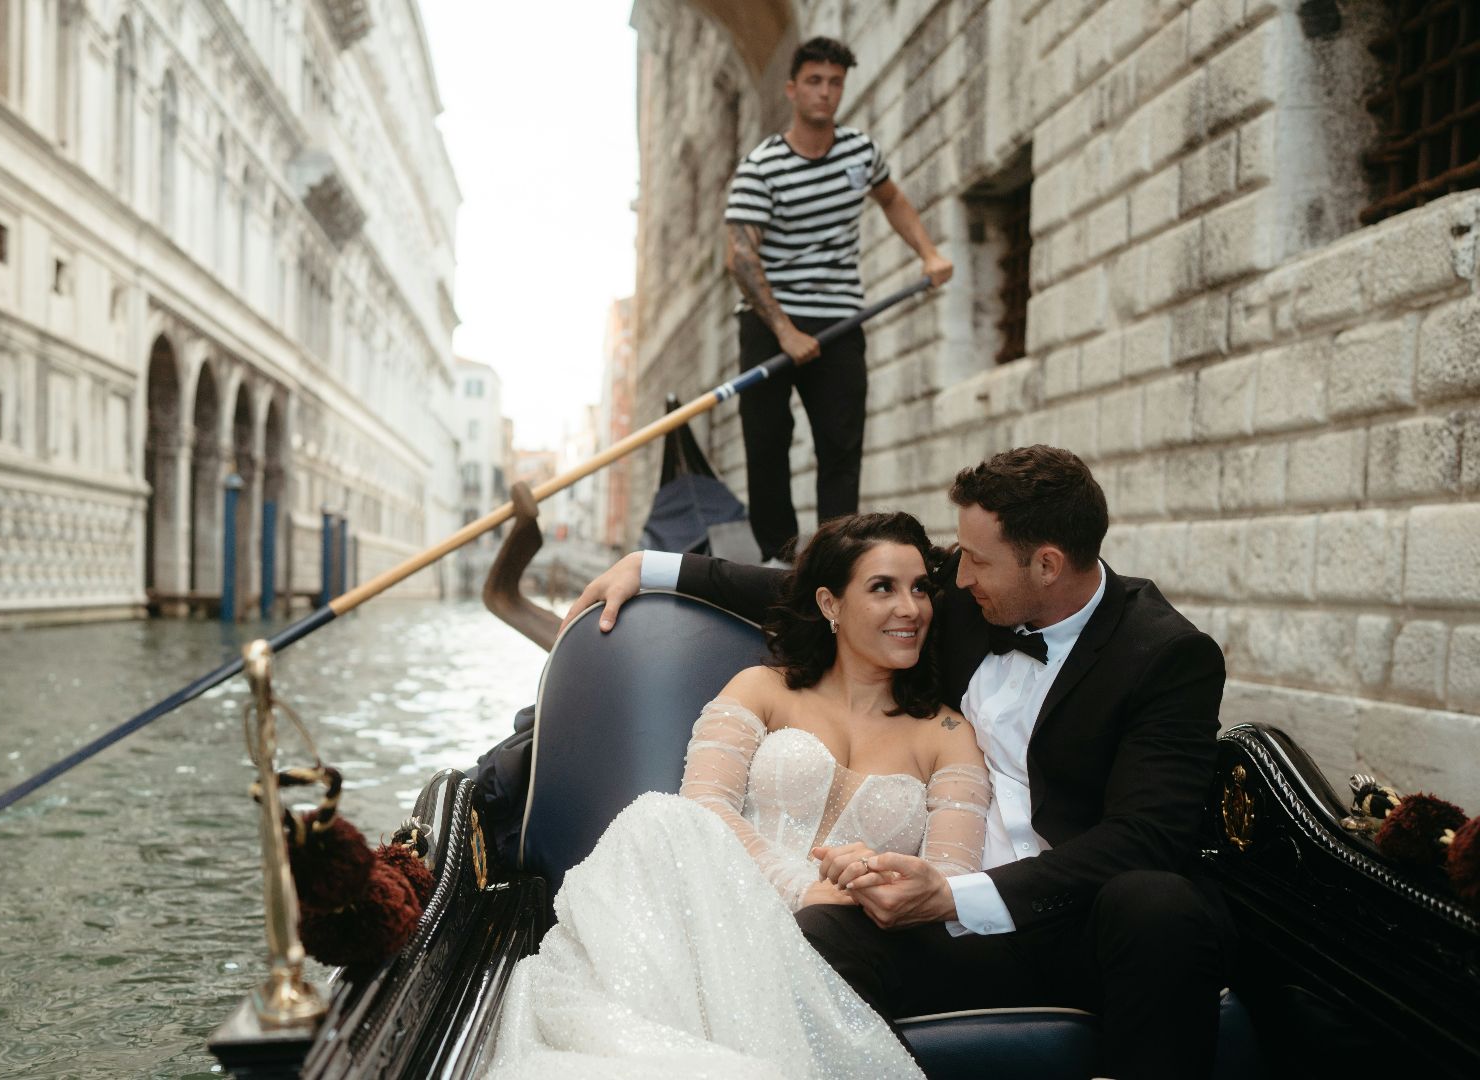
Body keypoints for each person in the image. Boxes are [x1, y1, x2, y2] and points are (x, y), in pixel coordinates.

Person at [567, 445, 1233, 1079]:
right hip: (957, 924)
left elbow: (1148, 836)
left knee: (1160, 904)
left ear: (1048, 565)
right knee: (827, 927)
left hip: (1077, 920)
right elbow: (834, 591)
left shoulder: (1168, 657)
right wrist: (654, 568)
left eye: (973, 560)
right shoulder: (978, 602)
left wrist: (955, 891)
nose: (956, 578)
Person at [487, 513, 989, 1079]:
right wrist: (803, 889)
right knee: (660, 820)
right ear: (829, 605)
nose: (911, 608)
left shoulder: (947, 734)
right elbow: (706, 807)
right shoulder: (763, 689)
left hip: (848, 946)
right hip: (721, 915)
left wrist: (877, 876)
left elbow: (951, 878)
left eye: (920, 588)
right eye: (883, 588)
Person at [725, 36, 953, 563]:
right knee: (766, 446)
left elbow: (891, 199)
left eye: (834, 83)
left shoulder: (860, 152)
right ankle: (780, 560)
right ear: (792, 89)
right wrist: (785, 331)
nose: (825, 93)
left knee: (841, 447)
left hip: (841, 316)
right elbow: (740, 258)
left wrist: (928, 253)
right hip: (768, 320)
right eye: (814, 81)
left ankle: (833, 558)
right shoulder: (761, 168)